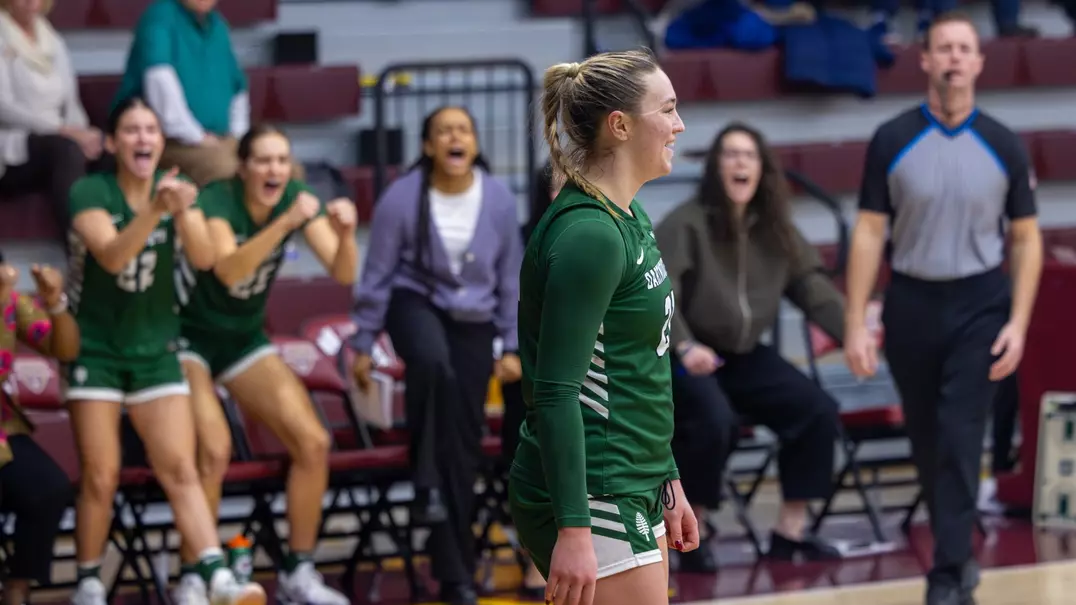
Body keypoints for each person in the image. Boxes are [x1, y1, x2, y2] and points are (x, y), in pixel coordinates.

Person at [843, 13, 1042, 605]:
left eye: (965, 48)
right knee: (929, 442)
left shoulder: (1005, 142)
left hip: (981, 302)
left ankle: (949, 574)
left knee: (960, 437)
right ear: (925, 60)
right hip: (911, 301)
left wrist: (1020, 323)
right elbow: (869, 233)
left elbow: (1027, 238)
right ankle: (959, 562)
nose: (955, 58)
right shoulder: (892, 138)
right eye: (944, 49)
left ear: (979, 62)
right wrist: (856, 320)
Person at [509, 48, 700, 605]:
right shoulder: (589, 235)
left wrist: (667, 477)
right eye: (666, 110)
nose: (679, 124)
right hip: (592, 485)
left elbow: (641, 362)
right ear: (620, 126)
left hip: (633, 475)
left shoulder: (628, 215)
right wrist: (573, 528)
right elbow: (555, 392)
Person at [64, 97, 265, 605]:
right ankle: (88, 581)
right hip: (97, 350)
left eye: (151, 130)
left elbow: (203, 259)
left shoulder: (172, 194)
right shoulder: (90, 190)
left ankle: (216, 573)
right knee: (101, 474)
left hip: (156, 347)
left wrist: (185, 211)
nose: (143, 138)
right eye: (131, 130)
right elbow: (110, 257)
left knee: (180, 467)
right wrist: (155, 211)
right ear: (112, 143)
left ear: (161, 141)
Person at [173, 124, 357, 605]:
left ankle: (298, 572)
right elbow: (228, 268)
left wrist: (346, 232)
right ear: (243, 168)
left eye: (282, 160)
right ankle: (196, 575)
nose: (274, 169)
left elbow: (342, 272)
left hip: (240, 339)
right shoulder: (219, 198)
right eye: (263, 160)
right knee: (212, 448)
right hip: (186, 336)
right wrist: (283, 222)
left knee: (313, 441)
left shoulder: (295, 196)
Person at [349, 106, 522, 605]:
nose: (454, 137)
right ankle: (424, 480)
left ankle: (456, 576)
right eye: (443, 130)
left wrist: (510, 344)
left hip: (475, 322)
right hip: (415, 303)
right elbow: (378, 273)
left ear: (474, 142)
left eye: (463, 129)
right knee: (432, 365)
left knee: (461, 446)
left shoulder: (498, 200)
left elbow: (510, 279)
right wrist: (362, 341)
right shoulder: (401, 198)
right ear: (427, 146)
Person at [656, 122, 844, 571]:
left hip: (742, 355)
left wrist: (854, 330)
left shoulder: (776, 229)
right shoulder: (686, 223)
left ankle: (789, 533)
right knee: (713, 420)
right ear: (715, 168)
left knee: (816, 409)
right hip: (689, 354)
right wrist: (683, 346)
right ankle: (691, 531)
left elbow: (812, 287)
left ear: (763, 169)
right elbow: (657, 295)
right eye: (730, 154)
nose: (740, 162)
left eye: (750, 155)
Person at [500, 162, 562, 598]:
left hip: (584, 376)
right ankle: (534, 554)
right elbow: (497, 298)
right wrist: (506, 351)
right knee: (532, 447)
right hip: (531, 372)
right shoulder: (524, 239)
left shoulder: (612, 234)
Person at [0, 256, 77, 605]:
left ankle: (17, 586)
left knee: (48, 489)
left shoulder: (12, 302)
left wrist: (57, 303)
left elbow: (65, 349)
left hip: (4, 429)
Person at [114, 0, 254, 186]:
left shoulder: (218, 24)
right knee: (227, 171)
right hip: (171, 141)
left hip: (222, 139)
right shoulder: (160, 17)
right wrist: (198, 137)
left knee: (283, 167)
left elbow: (238, 88)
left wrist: (238, 138)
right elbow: (159, 81)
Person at [0, 0, 103, 234]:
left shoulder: (51, 37)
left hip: (59, 135)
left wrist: (82, 132)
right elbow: (3, 106)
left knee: (107, 147)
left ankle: (117, 244)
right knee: (65, 150)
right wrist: (60, 129)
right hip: (14, 146)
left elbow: (70, 99)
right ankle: (78, 246)